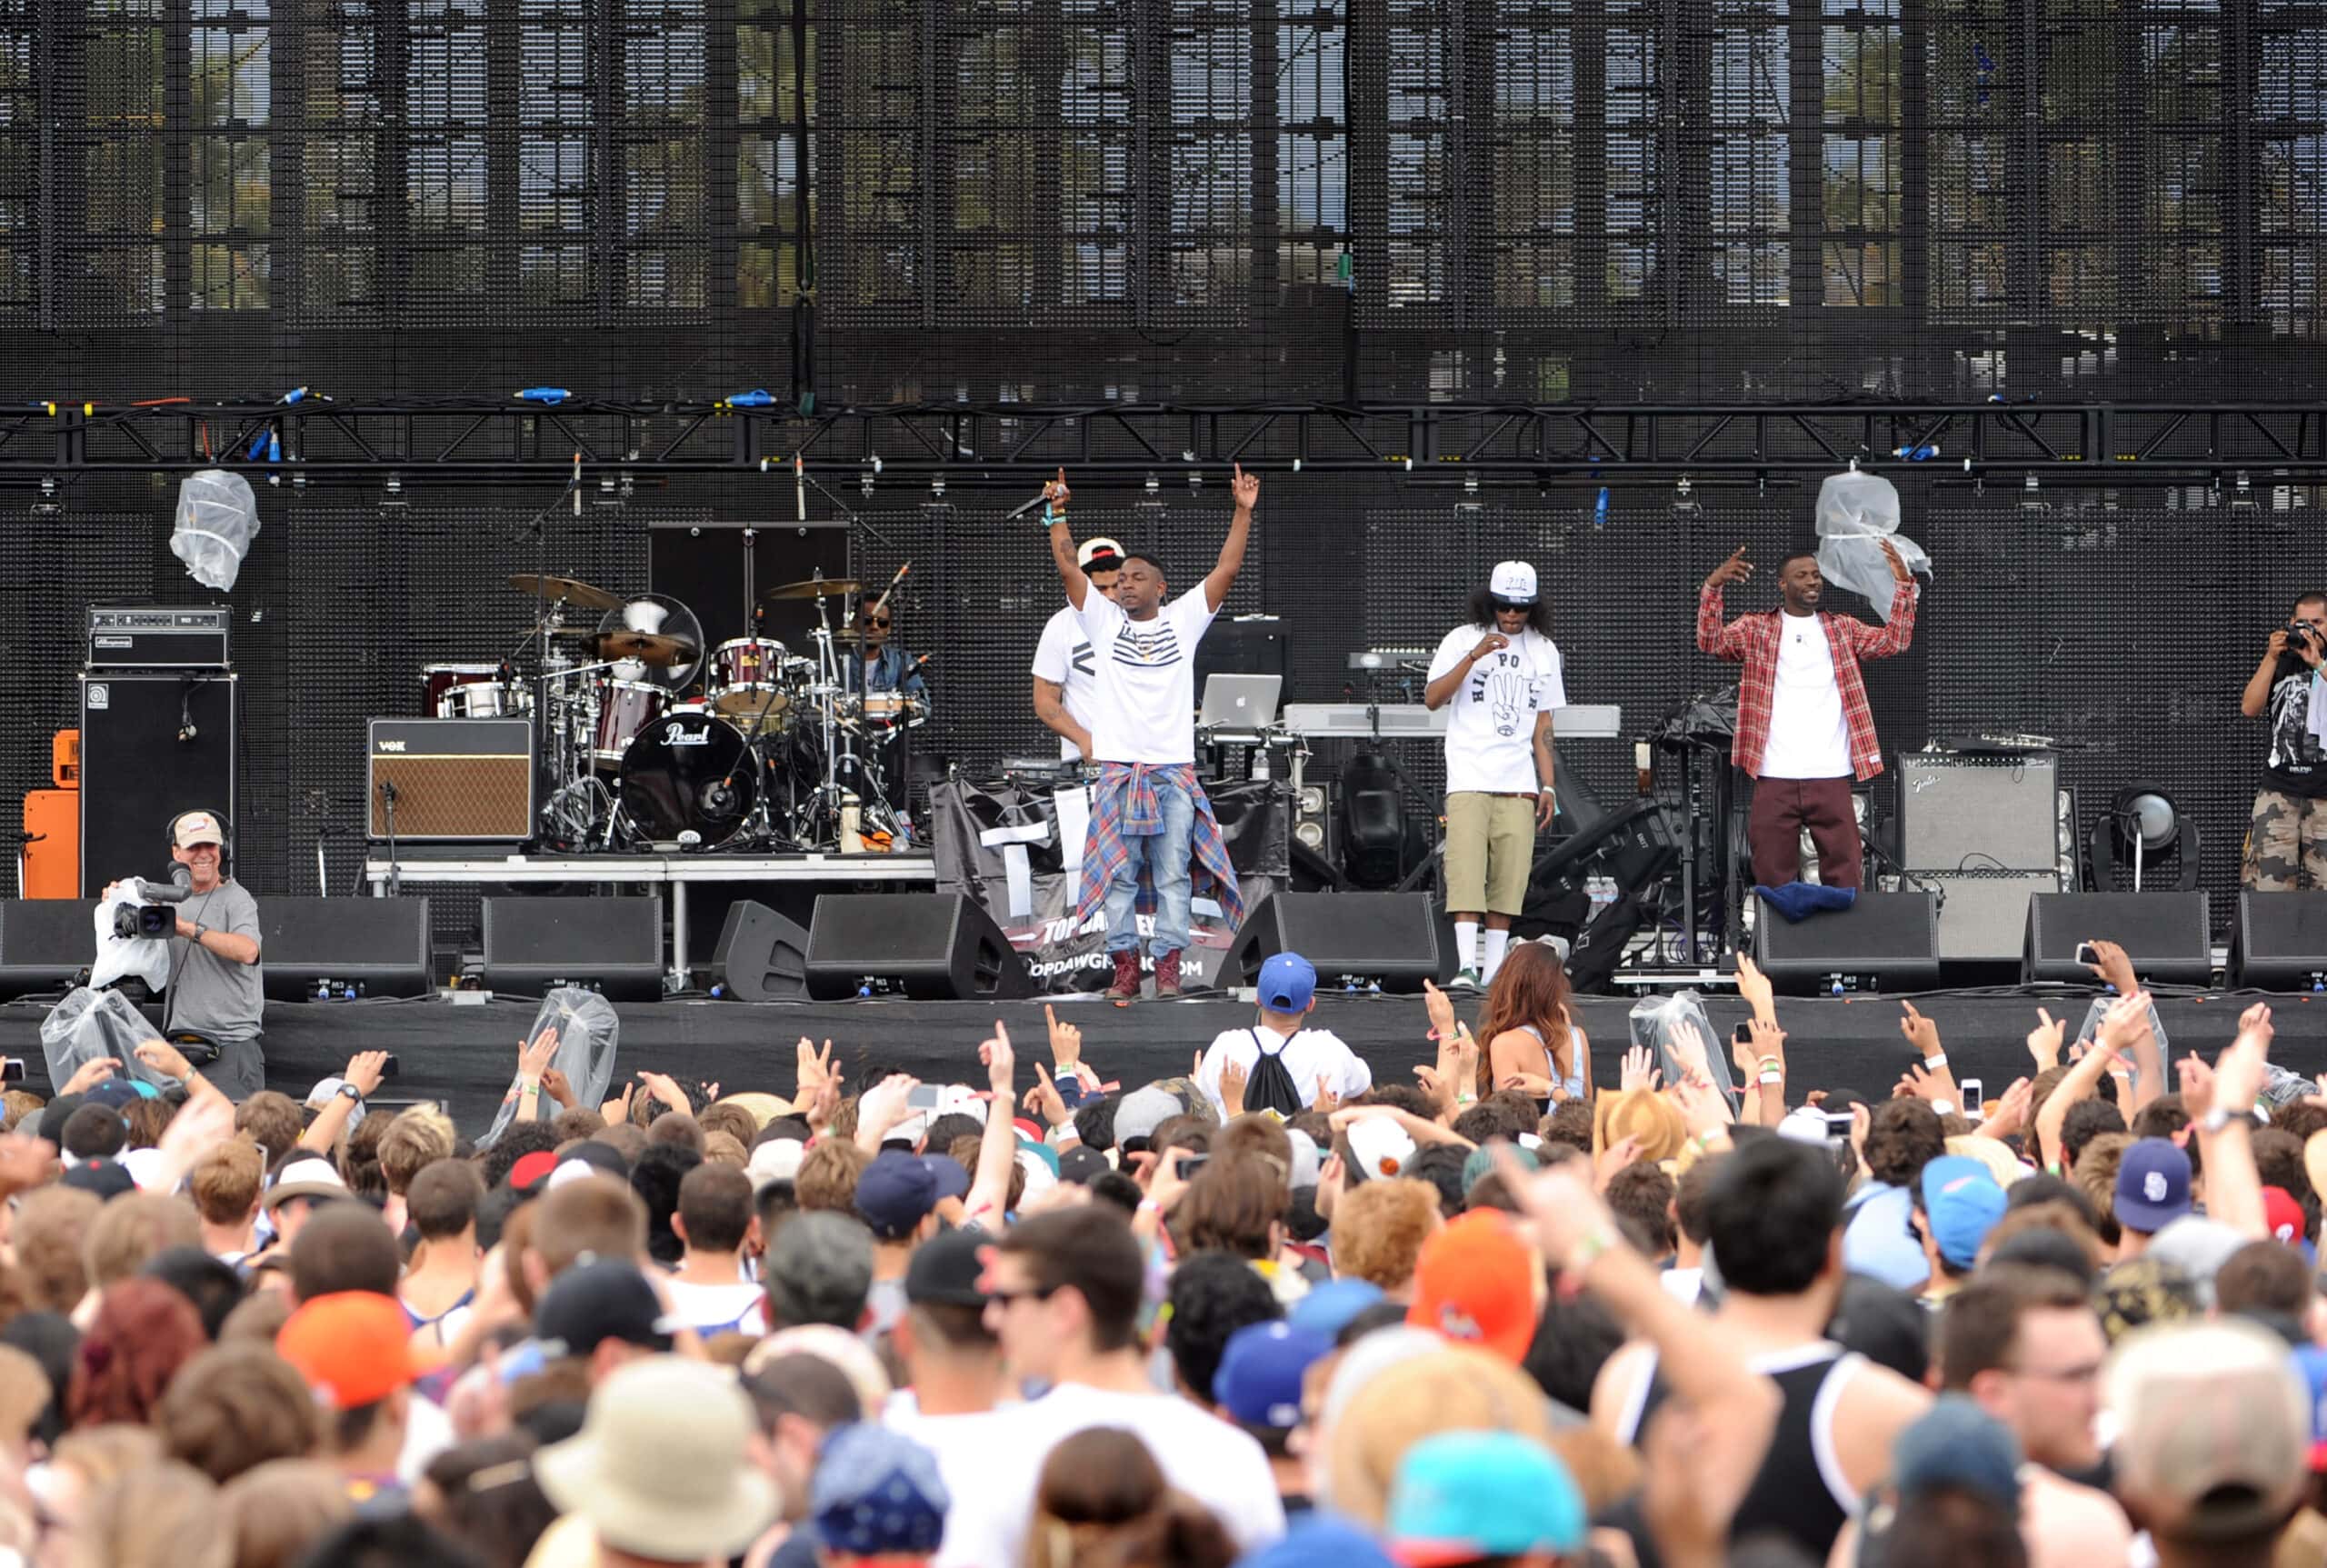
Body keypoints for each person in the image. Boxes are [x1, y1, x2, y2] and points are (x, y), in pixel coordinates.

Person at [946, 1206, 1283, 1563]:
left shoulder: (999, 1454)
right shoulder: (1230, 1454)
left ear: (1065, 1310)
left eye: (1005, 1299)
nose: (992, 1317)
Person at [1045, 466, 1254, 1000]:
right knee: (1118, 876)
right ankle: (1123, 968)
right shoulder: (1102, 621)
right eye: (1119, 581)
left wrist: (1242, 510)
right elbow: (1069, 567)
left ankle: (1166, 968)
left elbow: (1227, 569)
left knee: (1172, 878)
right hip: (1117, 771)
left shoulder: (1184, 619)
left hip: (1171, 774)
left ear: (1160, 587)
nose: (1124, 585)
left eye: (1135, 578)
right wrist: (1058, 513)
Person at [1696, 542, 1917, 891]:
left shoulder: (1841, 628)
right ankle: (1777, 946)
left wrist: (1904, 586)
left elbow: (1896, 641)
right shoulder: (1757, 629)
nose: (1812, 581)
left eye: (1815, 574)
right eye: (1801, 575)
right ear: (1783, 584)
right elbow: (1711, 642)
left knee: (1846, 875)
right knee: (1771, 874)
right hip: (1774, 773)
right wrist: (1714, 586)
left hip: (1830, 773)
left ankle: (1841, 944)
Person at [1929, 1265, 2134, 1567]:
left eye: (2102, 1371)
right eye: (2078, 1376)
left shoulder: (1876, 1521)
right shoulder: (2077, 1527)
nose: (2101, 1397)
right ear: (1992, 1395)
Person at [1424, 562, 1565, 990]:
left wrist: (1548, 784)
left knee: (1509, 877)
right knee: (1466, 871)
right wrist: (1474, 656)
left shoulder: (1544, 650)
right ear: (1491, 602)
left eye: (1521, 608)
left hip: (1518, 779)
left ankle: (1493, 972)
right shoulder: (1463, 638)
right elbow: (1433, 698)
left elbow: (1544, 725)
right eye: (1504, 606)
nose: (1512, 615)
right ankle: (1467, 966)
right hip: (1469, 774)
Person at [142, 811, 266, 1100]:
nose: (203, 854)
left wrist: (186, 929)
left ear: (221, 850)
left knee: (232, 1142)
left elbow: (248, 951)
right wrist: (118, 897)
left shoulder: (237, 898)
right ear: (176, 852)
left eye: (210, 846)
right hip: (181, 1048)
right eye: (193, 847)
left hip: (230, 1048)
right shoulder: (166, 901)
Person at [1194, 953, 1373, 1118]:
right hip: (1310, 1150)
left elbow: (1200, 1111)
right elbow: (1366, 1096)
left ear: (1257, 998)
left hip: (1239, 1150)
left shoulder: (1227, 1047)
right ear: (1310, 1004)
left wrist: (1195, 1086)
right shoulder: (1331, 1050)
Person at [2242, 592, 2327, 889]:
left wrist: (2318, 664)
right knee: (2268, 892)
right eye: (2302, 622)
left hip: (2325, 796)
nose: (2309, 629)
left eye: (2317, 622)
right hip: (2279, 791)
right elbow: (2249, 708)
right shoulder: (2282, 662)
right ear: (2290, 623)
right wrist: (2270, 656)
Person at [1033, 535, 1127, 760]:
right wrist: (1083, 739)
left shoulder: (1142, 618)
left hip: (1141, 760)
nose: (1111, 595)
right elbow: (1044, 699)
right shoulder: (1061, 625)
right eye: (1101, 588)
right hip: (1083, 761)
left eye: (1116, 585)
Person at [1469, 943, 1592, 1111]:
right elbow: (1587, 1105)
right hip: (1578, 1133)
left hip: (1530, 1135)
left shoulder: (1505, 1043)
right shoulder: (1578, 1037)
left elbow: (1508, 1116)